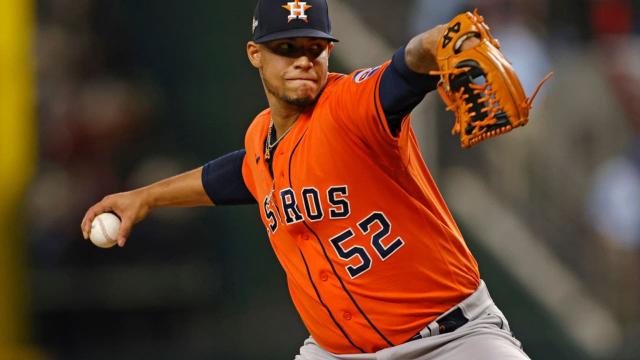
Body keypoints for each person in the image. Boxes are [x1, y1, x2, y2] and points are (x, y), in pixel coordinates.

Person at [81, 1, 530, 358]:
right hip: (335, 353)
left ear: (329, 52)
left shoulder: (351, 108)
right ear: (255, 54)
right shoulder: (261, 139)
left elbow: (407, 68)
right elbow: (235, 175)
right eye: (287, 48)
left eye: (314, 48)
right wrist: (145, 197)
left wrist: (444, 39)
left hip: (449, 341)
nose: (303, 60)